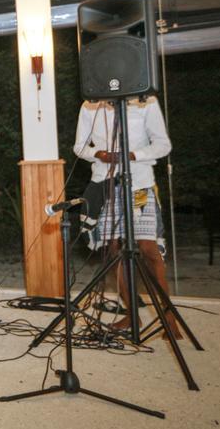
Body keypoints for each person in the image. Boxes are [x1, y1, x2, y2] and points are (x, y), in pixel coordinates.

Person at [73, 96, 178, 337]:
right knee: (114, 252)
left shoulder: (146, 101)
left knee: (148, 249)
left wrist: (132, 155)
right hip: (105, 184)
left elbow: (163, 145)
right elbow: (79, 147)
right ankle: (132, 316)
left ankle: (169, 318)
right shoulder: (91, 104)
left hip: (139, 184)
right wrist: (98, 153)